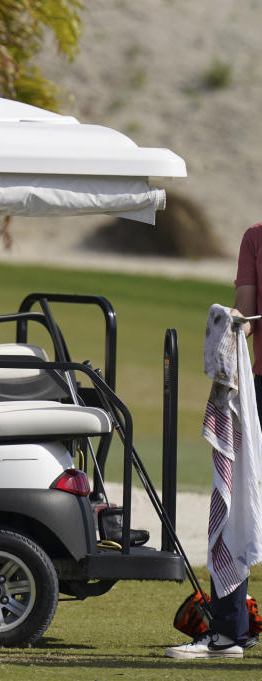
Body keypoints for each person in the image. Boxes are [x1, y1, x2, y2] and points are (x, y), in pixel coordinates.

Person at [167, 222, 262, 659]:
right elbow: (247, 312)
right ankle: (228, 633)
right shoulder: (255, 236)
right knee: (237, 497)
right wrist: (231, 327)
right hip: (258, 386)